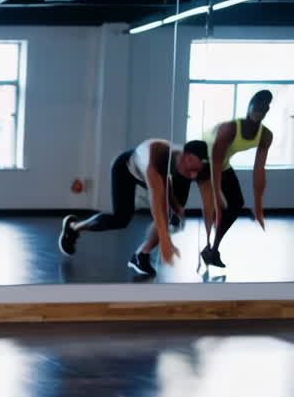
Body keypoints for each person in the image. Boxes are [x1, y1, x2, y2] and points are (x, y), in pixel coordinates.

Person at [59, 139, 213, 278]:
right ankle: (73, 226)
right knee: (120, 219)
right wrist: (166, 242)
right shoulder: (157, 154)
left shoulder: (185, 166)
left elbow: (167, 185)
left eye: (197, 172)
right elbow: (157, 200)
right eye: (193, 170)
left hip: (155, 178)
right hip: (126, 168)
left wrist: (176, 206)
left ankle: (141, 256)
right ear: (188, 158)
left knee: (171, 213)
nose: (193, 176)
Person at [202, 90, 274, 268]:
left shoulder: (265, 135)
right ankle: (207, 246)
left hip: (222, 164)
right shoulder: (231, 128)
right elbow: (215, 160)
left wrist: (258, 205)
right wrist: (217, 192)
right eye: (257, 106)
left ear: (267, 111)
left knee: (235, 204)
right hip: (201, 161)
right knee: (217, 204)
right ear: (249, 106)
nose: (259, 111)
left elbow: (259, 170)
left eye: (263, 108)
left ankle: (212, 251)